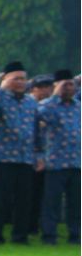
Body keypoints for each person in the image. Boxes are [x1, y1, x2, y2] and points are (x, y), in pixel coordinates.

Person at [0, 63, 38, 244]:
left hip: (25, 158)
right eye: (16, 79)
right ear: (5, 79)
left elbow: (36, 130)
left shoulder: (30, 101)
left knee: (24, 201)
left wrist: (39, 154)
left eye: (23, 79)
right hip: (2, 158)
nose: (21, 82)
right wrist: (1, 89)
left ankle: (20, 236)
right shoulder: (1, 98)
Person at [38, 70, 79, 244]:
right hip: (55, 162)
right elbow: (41, 115)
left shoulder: (78, 106)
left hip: (77, 162)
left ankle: (76, 235)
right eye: (64, 85)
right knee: (52, 202)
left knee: (76, 203)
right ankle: (49, 235)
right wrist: (55, 95)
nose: (68, 88)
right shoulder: (48, 105)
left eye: (71, 84)